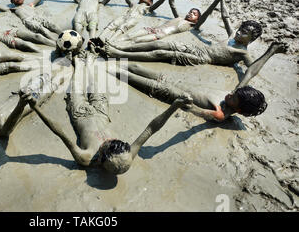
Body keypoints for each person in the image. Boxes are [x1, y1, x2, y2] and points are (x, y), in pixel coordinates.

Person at [21, 50, 192, 174]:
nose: (109, 140)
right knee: (93, 83)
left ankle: (77, 62)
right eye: (115, 141)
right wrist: (174, 106)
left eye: (107, 145)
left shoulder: (86, 158)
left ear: (101, 158)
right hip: (102, 112)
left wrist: (35, 106)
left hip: (81, 113)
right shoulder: (128, 154)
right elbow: (151, 129)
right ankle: (88, 59)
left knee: (77, 84)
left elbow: (59, 131)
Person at [106, 41, 288, 122]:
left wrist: (186, 106)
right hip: (169, 79)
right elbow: (250, 72)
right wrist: (271, 51)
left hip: (165, 90)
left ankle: (97, 67)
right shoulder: (237, 95)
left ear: (238, 109)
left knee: (127, 76)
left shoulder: (221, 113)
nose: (230, 93)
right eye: (235, 92)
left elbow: (198, 112)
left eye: (233, 97)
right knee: (135, 68)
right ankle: (107, 55)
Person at [98, 0, 264, 67]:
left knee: (161, 51)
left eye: (245, 33)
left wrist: (271, 52)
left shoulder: (243, 52)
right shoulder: (232, 35)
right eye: (241, 28)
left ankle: (119, 53)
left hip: (204, 58)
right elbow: (226, 18)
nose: (240, 32)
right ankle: (115, 46)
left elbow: (254, 66)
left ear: (253, 38)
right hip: (197, 49)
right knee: (154, 44)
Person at [114, 0, 219, 44]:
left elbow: (205, 15)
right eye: (190, 12)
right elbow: (172, 4)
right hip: (152, 29)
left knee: (136, 41)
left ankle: (113, 49)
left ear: (197, 20)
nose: (191, 13)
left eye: (194, 14)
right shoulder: (178, 17)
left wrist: (217, 0)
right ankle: (112, 42)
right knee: (128, 36)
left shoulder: (193, 26)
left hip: (160, 35)